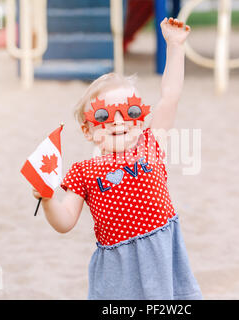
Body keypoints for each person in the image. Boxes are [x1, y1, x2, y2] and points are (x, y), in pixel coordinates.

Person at [33, 17, 202, 300]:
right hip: (117, 269)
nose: (119, 121)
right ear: (88, 131)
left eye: (131, 112)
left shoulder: (150, 143)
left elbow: (170, 96)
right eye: (104, 116)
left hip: (161, 257)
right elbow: (65, 223)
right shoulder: (83, 172)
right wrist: (48, 200)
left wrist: (175, 46)